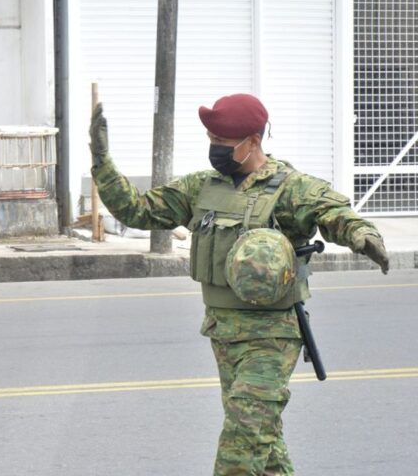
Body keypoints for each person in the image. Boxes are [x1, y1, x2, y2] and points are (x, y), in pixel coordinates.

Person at [89, 94, 390, 475]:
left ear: (252, 141)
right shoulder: (202, 187)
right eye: (211, 139)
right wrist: (102, 161)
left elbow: (332, 212)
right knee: (265, 445)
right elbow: (137, 209)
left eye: (222, 142)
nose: (214, 149)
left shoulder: (290, 188)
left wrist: (362, 234)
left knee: (241, 445)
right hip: (224, 332)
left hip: (272, 335)